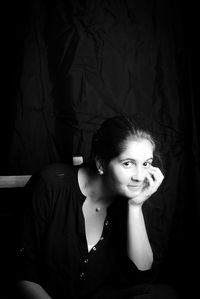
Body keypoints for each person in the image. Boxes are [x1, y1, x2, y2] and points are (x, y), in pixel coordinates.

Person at [15, 115, 178, 299]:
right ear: (101, 163)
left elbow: (140, 274)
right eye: (128, 163)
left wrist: (135, 207)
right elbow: (23, 272)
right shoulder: (50, 184)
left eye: (146, 164)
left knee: (165, 294)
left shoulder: (130, 195)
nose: (140, 177)